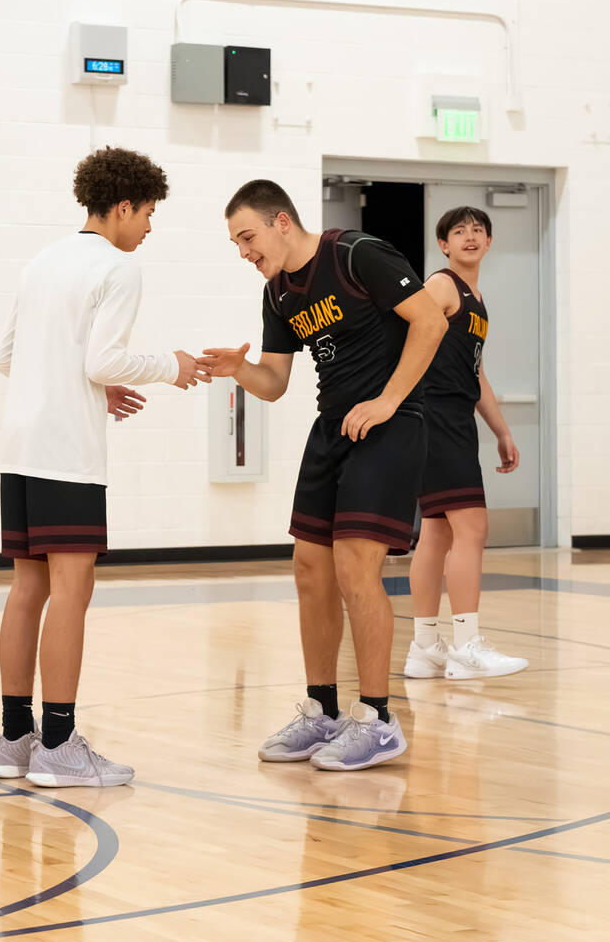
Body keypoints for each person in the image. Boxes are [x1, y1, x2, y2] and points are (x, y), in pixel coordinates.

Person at [199, 180, 447, 771]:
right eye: (236, 244)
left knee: (355, 566)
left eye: (248, 237)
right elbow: (275, 383)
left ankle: (378, 720)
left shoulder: (357, 254)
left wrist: (387, 400)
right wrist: (241, 369)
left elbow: (431, 322)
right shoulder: (277, 292)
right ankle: (322, 711)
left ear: (281, 221)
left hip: (390, 423)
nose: (244, 252)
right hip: (332, 427)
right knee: (310, 568)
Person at [0, 147, 206, 788]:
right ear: (123, 206)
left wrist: (92, 387)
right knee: (71, 593)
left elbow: (7, 356)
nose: (149, 228)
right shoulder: (117, 267)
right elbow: (103, 360)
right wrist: (171, 366)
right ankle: (59, 745)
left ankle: (13, 741)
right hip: (66, 454)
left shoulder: (42, 261)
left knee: (27, 590)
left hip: (20, 447)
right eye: (149, 214)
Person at [404, 206, 527, 680]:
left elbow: (476, 374)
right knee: (472, 528)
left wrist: (501, 431)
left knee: (437, 532)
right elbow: (404, 335)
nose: (470, 236)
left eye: (479, 230)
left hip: (453, 416)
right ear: (444, 245)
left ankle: (424, 648)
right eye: (460, 231)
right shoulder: (441, 285)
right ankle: (466, 646)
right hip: (435, 416)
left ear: (489, 242)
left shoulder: (477, 300)